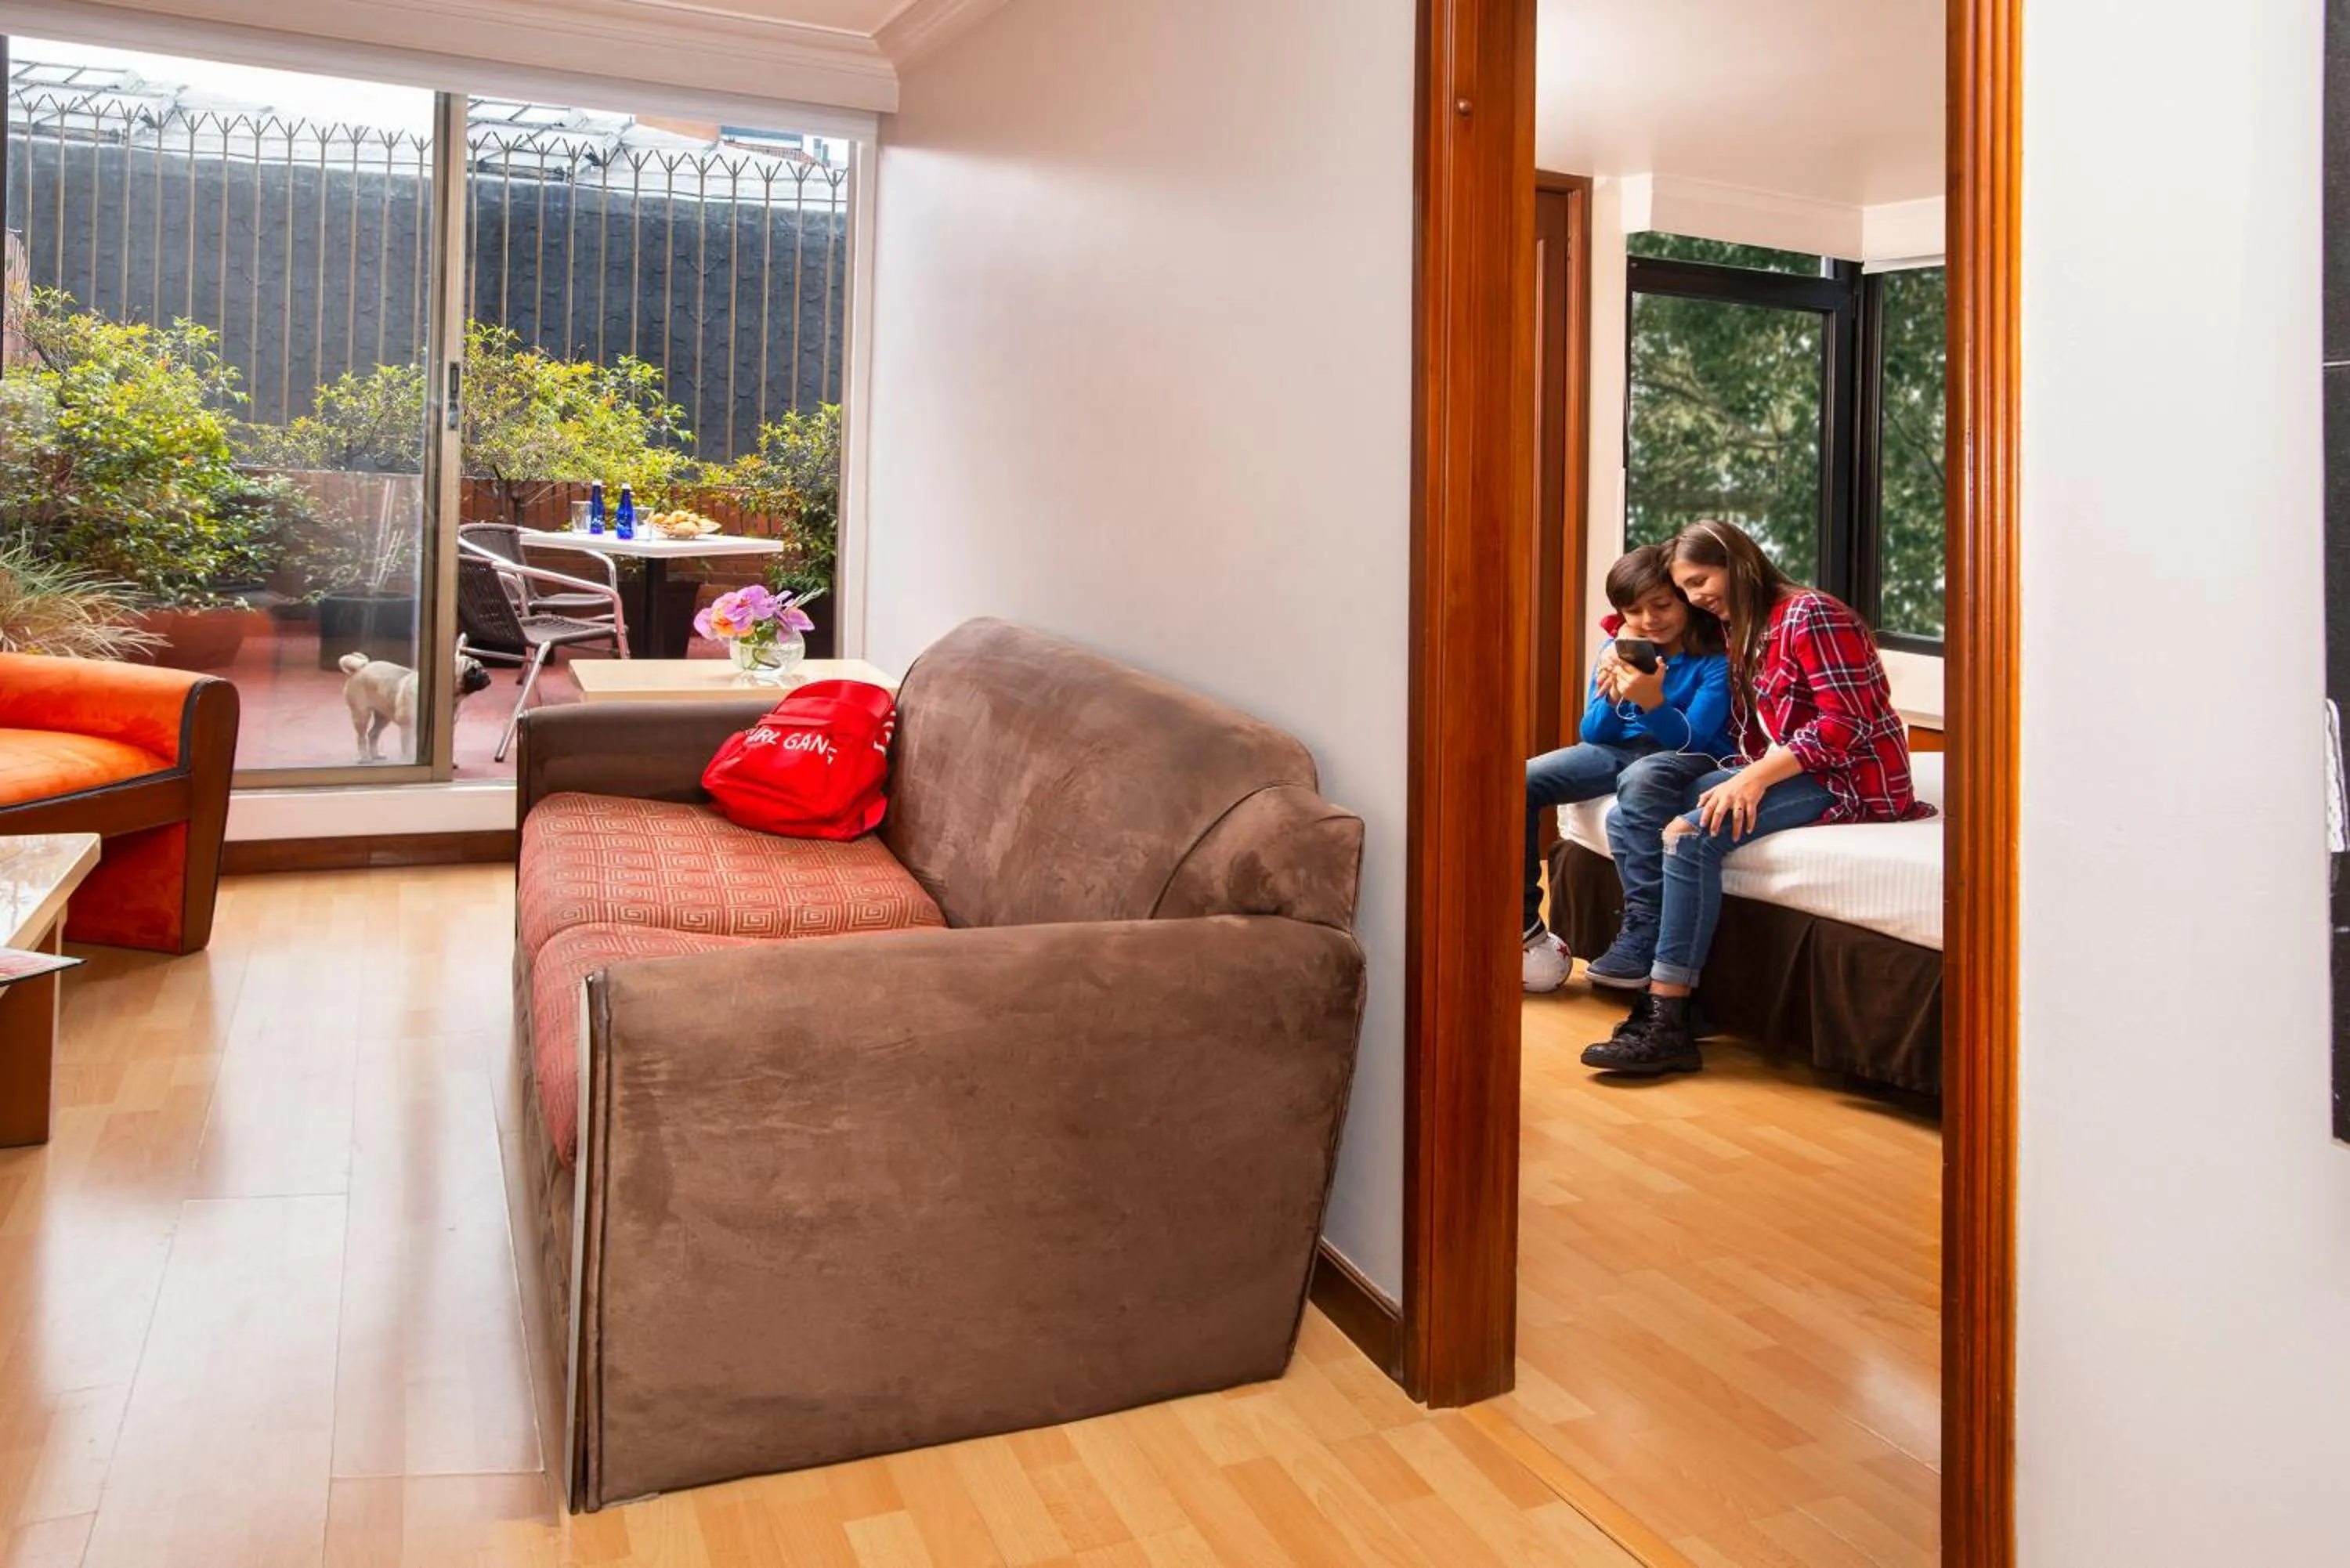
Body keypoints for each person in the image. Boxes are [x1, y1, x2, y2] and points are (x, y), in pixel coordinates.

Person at [1581, 519, 1934, 1073]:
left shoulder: (1811, 615)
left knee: (1690, 835)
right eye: (1688, 588)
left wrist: (1753, 777)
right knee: (1630, 818)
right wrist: (1616, 655)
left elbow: (1848, 723)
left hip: (1852, 777)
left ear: (1737, 561)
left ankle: (1667, 1014)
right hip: (1789, 768)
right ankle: (1667, 969)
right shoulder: (1742, 625)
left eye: (1701, 580)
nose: (1696, 597)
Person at [1523, 545, 1732, 992]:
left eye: (1662, 605)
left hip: (1692, 756)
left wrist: (1651, 699)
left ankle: (1642, 929)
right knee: (1523, 780)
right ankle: (1521, 924)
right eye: (1633, 611)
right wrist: (1616, 695)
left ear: (1685, 601)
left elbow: (1692, 738)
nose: (1650, 620)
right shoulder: (1619, 647)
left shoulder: (1713, 660)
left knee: (1640, 780)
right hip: (1622, 750)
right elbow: (1593, 731)